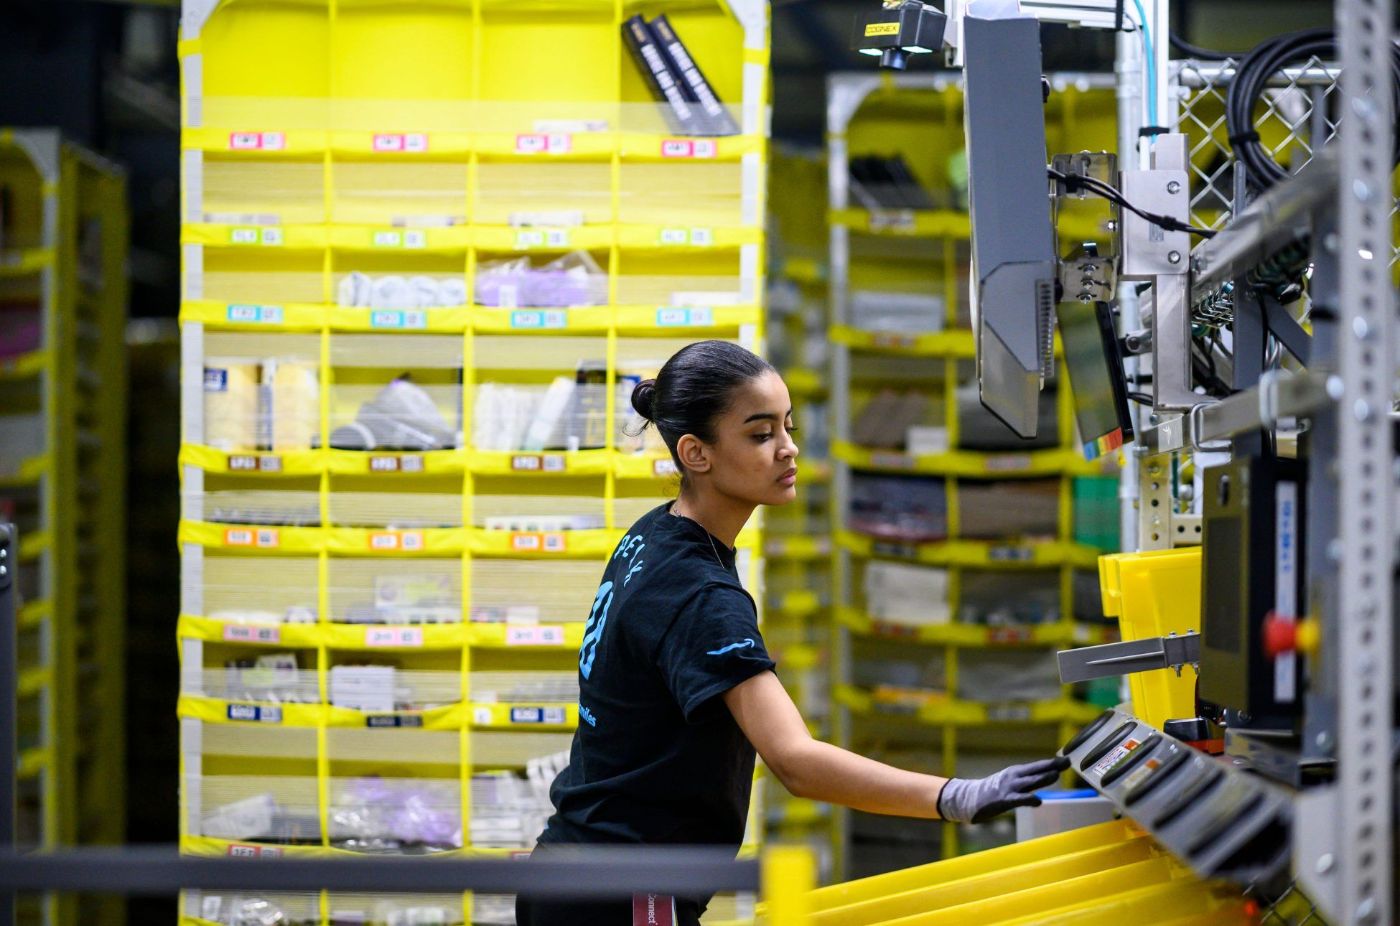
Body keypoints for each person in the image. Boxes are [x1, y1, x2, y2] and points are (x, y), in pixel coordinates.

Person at [515, 341, 1069, 925]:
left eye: (787, 425)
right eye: (760, 434)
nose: (789, 448)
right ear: (695, 452)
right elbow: (795, 761)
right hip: (622, 893)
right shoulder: (700, 595)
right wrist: (954, 796)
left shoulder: (655, 534)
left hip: (577, 869)